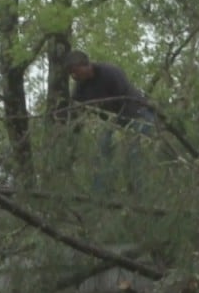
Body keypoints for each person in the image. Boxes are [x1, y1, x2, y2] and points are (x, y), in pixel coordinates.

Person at [65, 50, 156, 190]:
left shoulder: (109, 72)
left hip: (138, 114)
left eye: (75, 71)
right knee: (102, 151)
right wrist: (72, 139)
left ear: (85, 65)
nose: (74, 76)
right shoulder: (80, 88)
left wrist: (123, 129)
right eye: (71, 73)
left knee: (134, 153)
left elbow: (125, 99)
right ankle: (100, 195)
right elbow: (77, 113)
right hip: (112, 121)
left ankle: (139, 192)